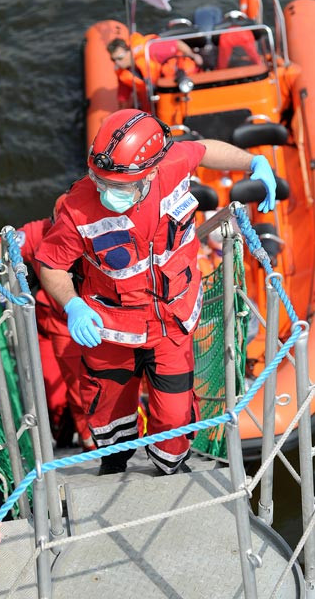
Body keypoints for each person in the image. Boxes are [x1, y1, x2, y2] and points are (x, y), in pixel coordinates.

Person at [36, 109, 276, 476]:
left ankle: (169, 469)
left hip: (171, 325)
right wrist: (72, 305)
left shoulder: (172, 163)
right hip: (110, 330)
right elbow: (52, 264)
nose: (104, 192)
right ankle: (113, 467)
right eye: (99, 181)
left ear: (149, 173)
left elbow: (203, 149)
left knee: (176, 415)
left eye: (116, 186)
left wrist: (253, 162)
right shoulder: (77, 209)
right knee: (107, 414)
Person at [0, 196, 95, 451]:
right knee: (57, 401)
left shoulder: (102, 227)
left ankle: (97, 438)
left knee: (99, 384)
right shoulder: (40, 232)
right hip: (56, 320)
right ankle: (76, 435)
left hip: (100, 315)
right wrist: (12, 268)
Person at [107, 34, 204, 111]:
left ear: (129, 51)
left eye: (120, 58)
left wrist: (192, 55)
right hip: (158, 100)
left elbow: (176, 44)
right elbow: (123, 97)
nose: (117, 62)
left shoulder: (150, 49)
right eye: (114, 60)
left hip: (182, 85)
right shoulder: (122, 73)